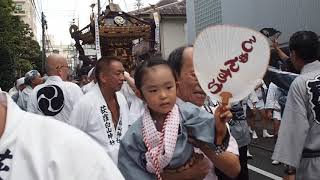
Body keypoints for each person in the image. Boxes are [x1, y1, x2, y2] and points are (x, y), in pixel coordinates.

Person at [118, 58, 235, 180]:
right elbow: (131, 169)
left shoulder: (188, 113)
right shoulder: (135, 134)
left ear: (176, 87)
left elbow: (214, 133)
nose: (163, 95)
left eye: (169, 87)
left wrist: (219, 124)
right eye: (153, 90)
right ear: (140, 95)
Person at [0, 90, 124, 180]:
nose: (122, 77)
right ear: (60, 69)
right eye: (118, 73)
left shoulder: (72, 146)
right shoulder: (81, 97)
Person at [168, 46, 241, 180]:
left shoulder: (213, 116)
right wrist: (185, 175)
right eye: (195, 75)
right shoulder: (156, 117)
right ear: (174, 76)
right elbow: (139, 170)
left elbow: (233, 168)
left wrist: (204, 142)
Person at [272, 31, 320, 180]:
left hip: (313, 164)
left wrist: (289, 170)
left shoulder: (300, 83)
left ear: (293, 53)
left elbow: (295, 130)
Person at [69, 57, 130, 164]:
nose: (122, 78)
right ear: (103, 77)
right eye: (118, 73)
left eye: (123, 73)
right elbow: (72, 137)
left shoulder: (121, 99)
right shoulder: (85, 103)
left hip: (122, 168)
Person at [27, 54, 83, 124]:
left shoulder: (35, 91)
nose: (68, 71)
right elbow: (83, 117)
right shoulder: (72, 88)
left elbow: (31, 119)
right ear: (59, 70)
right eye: (67, 67)